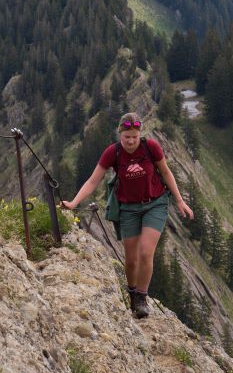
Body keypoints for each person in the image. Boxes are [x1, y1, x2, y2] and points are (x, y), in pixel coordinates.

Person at [61, 112, 193, 319]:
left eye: (134, 136)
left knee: (145, 253)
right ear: (120, 134)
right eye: (126, 137)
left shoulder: (151, 148)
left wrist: (179, 200)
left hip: (155, 204)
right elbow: (93, 181)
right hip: (128, 208)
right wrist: (74, 203)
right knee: (130, 260)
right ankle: (132, 292)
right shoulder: (112, 153)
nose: (131, 141)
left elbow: (166, 173)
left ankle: (141, 297)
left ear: (140, 134)